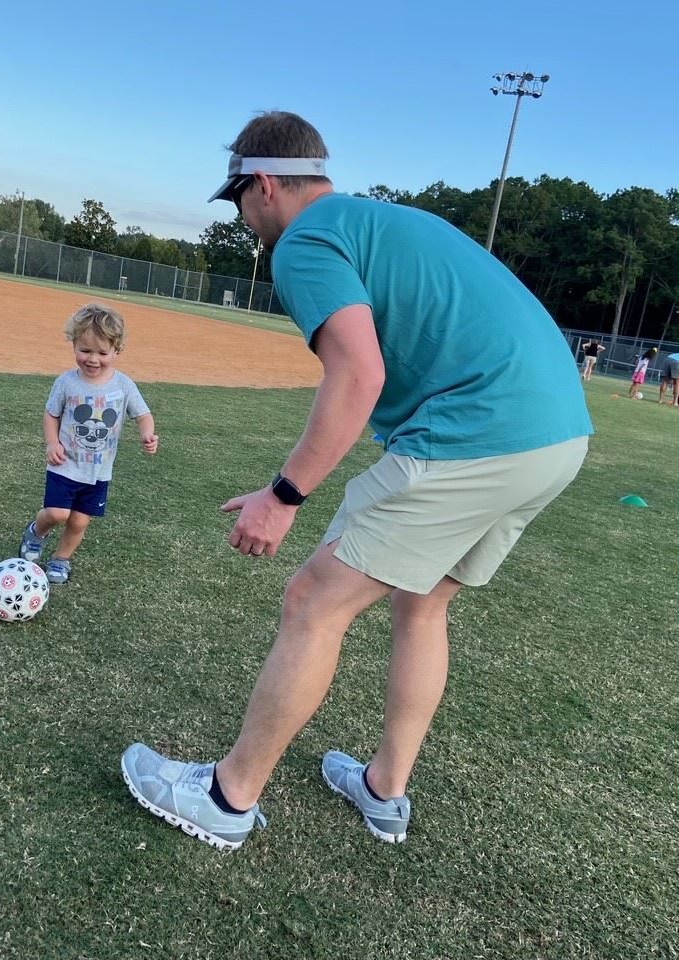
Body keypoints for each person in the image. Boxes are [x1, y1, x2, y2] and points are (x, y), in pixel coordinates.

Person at [120, 111, 593, 850]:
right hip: (559, 438)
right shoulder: (382, 220)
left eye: (238, 198)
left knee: (314, 601)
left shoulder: (304, 241)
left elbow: (358, 374)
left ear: (264, 183)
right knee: (423, 603)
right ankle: (384, 790)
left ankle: (226, 799)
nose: (242, 217)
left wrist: (282, 498)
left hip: (478, 431)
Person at [18, 303, 158, 583]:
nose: (93, 359)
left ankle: (61, 559)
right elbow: (51, 414)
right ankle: (36, 532)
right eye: (85, 350)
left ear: (117, 351)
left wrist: (147, 433)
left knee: (80, 521)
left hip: (98, 471)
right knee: (57, 513)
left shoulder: (124, 385)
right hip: (65, 464)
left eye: (102, 353)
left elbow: (143, 415)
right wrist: (51, 443)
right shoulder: (66, 383)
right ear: (74, 345)